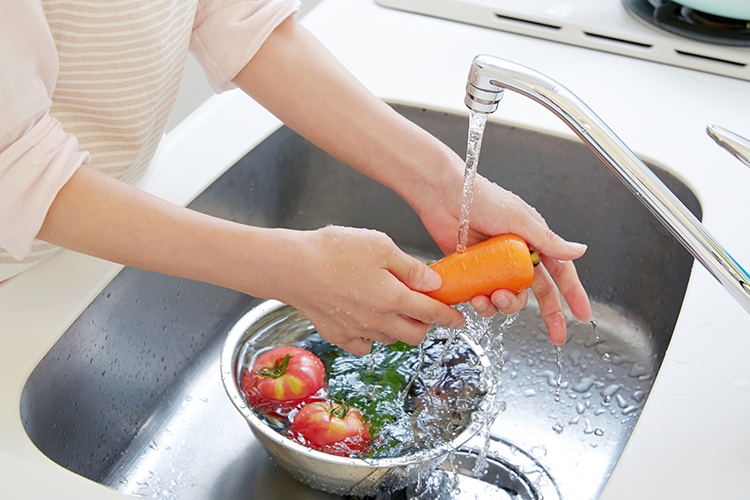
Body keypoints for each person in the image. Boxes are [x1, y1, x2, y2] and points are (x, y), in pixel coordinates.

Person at [0, 0, 591, 355]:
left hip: (101, 226)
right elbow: (13, 166)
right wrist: (294, 270)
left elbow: (233, 16)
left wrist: (444, 184)